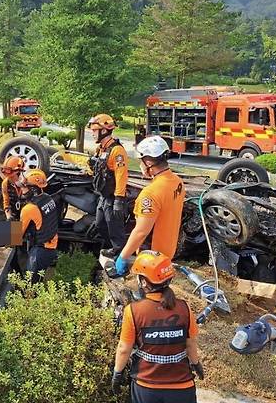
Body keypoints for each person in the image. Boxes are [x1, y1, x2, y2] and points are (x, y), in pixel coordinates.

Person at [112, 251, 203, 403]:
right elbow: (190, 344)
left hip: (146, 387)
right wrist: (196, 364)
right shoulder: (184, 308)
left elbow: (124, 348)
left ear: (144, 282)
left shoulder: (134, 311)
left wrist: (117, 373)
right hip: (182, 388)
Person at [115, 136, 185, 276]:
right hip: (168, 252)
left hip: (151, 259)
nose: (140, 165)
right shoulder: (178, 182)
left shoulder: (150, 194)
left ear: (148, 163)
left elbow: (141, 232)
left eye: (141, 162)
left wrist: (123, 257)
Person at [87, 114, 129, 259]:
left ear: (104, 131)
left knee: (115, 228)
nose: (92, 133)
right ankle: (110, 247)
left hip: (112, 197)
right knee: (100, 224)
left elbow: (121, 175)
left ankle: (120, 254)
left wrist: (119, 199)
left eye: (94, 130)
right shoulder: (101, 149)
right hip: (103, 196)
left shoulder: (117, 151)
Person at [19, 169, 58, 283]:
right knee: (39, 276)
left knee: (31, 284)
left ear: (32, 189)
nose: (22, 190)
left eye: (24, 187)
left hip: (40, 252)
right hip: (52, 245)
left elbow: (15, 236)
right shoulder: (48, 198)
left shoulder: (29, 209)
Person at [0, 155, 26, 221]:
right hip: (16, 215)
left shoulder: (29, 181)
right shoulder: (5, 183)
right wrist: (9, 216)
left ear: (18, 171)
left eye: (11, 175)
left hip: (29, 215)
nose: (8, 177)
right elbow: (6, 203)